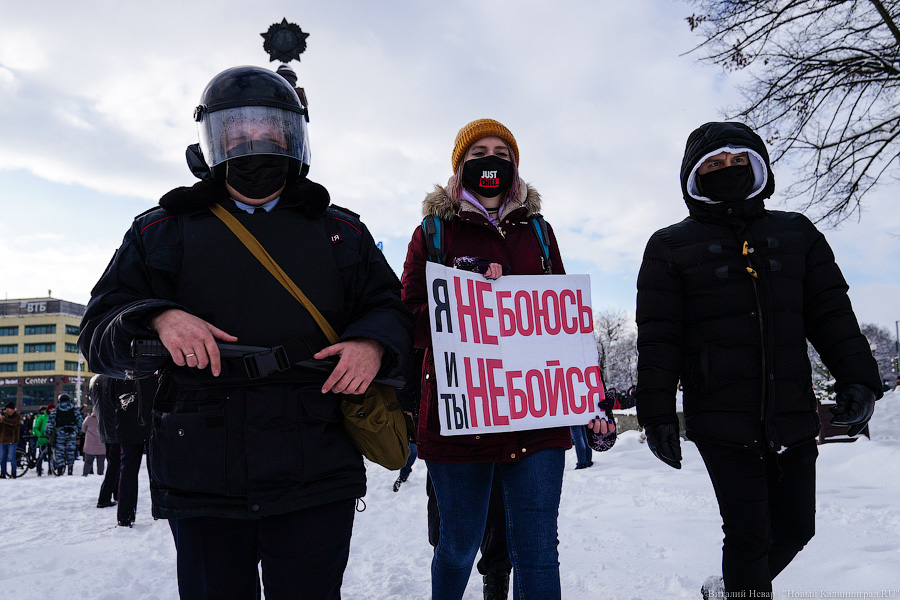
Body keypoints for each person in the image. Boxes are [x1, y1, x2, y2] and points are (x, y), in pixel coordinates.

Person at [78, 65, 413, 599]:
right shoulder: (160, 231)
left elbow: (392, 311)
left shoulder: (341, 232)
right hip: (202, 470)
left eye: (268, 130)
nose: (253, 143)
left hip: (315, 463)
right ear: (213, 141)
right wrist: (157, 316)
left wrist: (372, 344)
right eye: (237, 132)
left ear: (292, 138)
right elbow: (98, 333)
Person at [635, 121, 882, 598]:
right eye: (714, 163)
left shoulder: (797, 233)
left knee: (797, 527)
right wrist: (657, 413)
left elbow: (831, 313)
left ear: (758, 167)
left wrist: (858, 379)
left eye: (738, 160)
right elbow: (659, 338)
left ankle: (726, 589)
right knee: (748, 537)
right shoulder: (669, 246)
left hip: (791, 412)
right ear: (693, 174)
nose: (727, 169)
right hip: (721, 418)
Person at [401, 118, 613, 600]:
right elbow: (407, 316)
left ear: (514, 166)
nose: (490, 161)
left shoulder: (538, 231)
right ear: (460, 167)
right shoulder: (433, 232)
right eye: (477, 154)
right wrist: (468, 294)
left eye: (501, 153)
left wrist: (591, 397)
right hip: (461, 418)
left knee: (538, 552)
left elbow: (565, 323)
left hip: (535, 418)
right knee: (458, 546)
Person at [90, 374, 120, 509]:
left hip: (104, 426)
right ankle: (105, 497)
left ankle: (115, 493)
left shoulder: (95, 380)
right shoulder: (115, 377)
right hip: (116, 426)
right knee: (115, 464)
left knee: (113, 463)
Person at [45, 394, 83, 476]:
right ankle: (70, 469)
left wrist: (47, 433)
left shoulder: (56, 410)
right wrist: (79, 433)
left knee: (60, 451)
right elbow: (80, 422)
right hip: (72, 432)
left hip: (60, 433)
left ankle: (60, 469)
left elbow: (50, 422)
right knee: (70, 451)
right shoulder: (74, 409)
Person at [81, 406, 106, 476]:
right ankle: (100, 474)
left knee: (88, 461)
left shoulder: (88, 419)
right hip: (101, 444)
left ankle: (85, 474)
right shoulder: (104, 419)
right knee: (101, 463)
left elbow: (83, 429)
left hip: (90, 444)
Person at [0, 402, 22, 479]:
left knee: (12, 458)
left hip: (12, 441)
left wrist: (3, 419)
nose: (7, 410)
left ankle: (13, 473)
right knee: (2, 458)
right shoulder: (4, 416)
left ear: (12, 409)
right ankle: (3, 473)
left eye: (8, 408)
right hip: (2, 441)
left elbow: (13, 423)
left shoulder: (16, 416)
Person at [32, 405, 51, 476]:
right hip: (43, 438)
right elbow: (36, 428)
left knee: (49, 455)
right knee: (41, 455)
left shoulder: (51, 417)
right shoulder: (41, 417)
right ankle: (39, 469)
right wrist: (40, 435)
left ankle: (49, 469)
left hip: (49, 439)